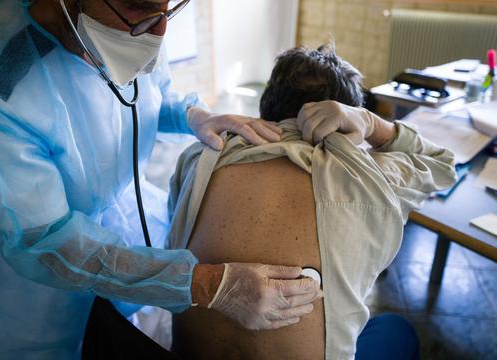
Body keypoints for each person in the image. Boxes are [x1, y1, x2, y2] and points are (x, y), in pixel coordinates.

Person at [0, 0, 326, 358]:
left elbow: (154, 93)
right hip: (36, 284)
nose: (159, 33)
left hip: (113, 215)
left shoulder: (136, 20)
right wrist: (209, 286)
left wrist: (194, 115)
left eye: (167, 10)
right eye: (142, 11)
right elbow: (47, 242)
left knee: (116, 335)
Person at [167, 45, 457, 359]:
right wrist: (371, 123)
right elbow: (444, 162)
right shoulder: (372, 175)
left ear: (267, 106)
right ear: (345, 124)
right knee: (395, 330)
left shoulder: (200, 155)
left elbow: (178, 234)